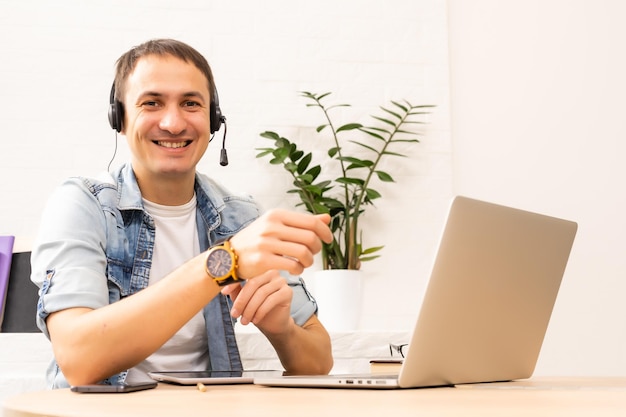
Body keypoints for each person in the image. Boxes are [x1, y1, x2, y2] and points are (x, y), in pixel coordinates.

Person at [30, 38, 334, 388]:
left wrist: (283, 330)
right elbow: (79, 360)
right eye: (152, 103)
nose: (174, 123)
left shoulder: (241, 217)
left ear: (213, 119)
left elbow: (318, 361)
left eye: (191, 103)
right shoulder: (82, 205)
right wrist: (224, 263)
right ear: (120, 118)